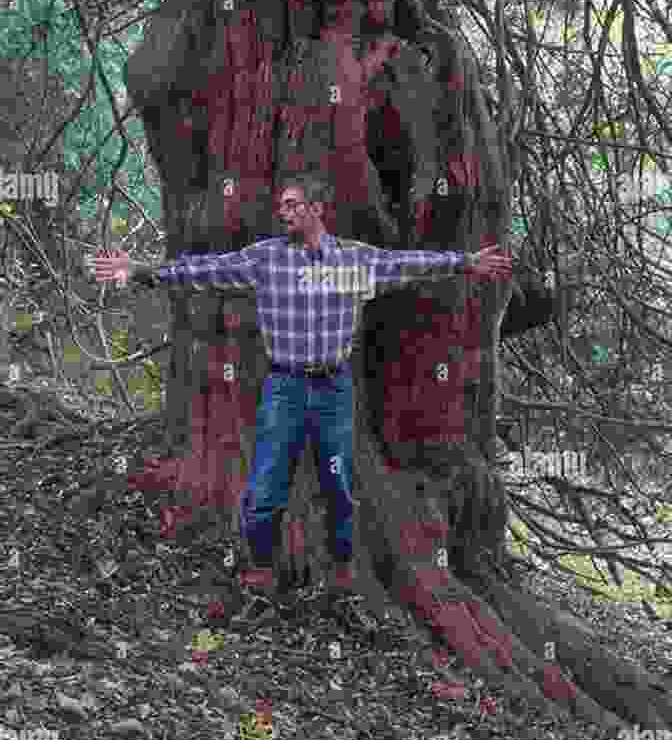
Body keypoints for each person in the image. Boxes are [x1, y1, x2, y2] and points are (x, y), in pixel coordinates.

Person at [92, 173, 512, 599]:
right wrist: (141, 270)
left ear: (317, 209)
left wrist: (464, 262)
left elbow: (406, 263)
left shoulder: (352, 261)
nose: (284, 212)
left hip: (333, 387)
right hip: (285, 387)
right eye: (282, 206)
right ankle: (260, 568)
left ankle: (343, 567)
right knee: (267, 479)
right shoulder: (267, 260)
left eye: (293, 205)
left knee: (338, 479)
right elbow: (203, 270)